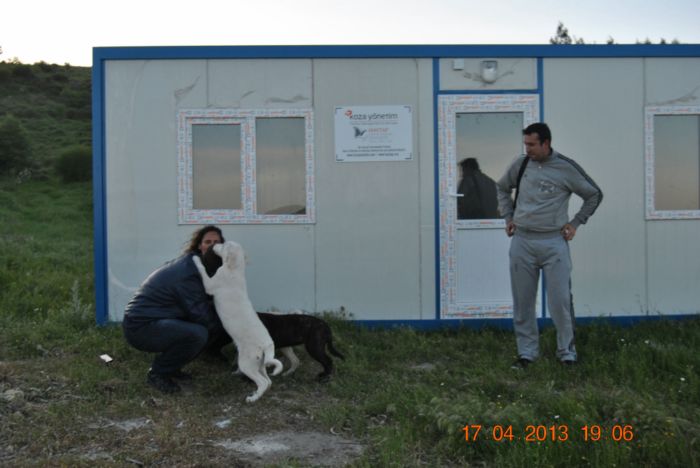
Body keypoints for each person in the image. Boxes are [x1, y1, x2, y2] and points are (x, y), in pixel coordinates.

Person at [496, 123, 602, 368]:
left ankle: (567, 354)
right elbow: (502, 188)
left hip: (554, 242)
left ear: (546, 143)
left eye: (532, 144)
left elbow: (594, 194)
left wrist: (576, 222)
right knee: (522, 302)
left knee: (560, 301)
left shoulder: (566, 167)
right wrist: (508, 217)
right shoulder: (520, 164)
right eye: (525, 144)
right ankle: (526, 354)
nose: (527, 149)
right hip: (522, 241)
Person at [122, 225, 227, 393]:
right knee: (198, 333)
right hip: (141, 327)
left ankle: (173, 368)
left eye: (217, 242)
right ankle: (158, 374)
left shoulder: (197, 264)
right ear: (199, 245)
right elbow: (200, 314)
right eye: (208, 242)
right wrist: (233, 330)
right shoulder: (188, 272)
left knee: (207, 326)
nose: (213, 246)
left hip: (159, 319)